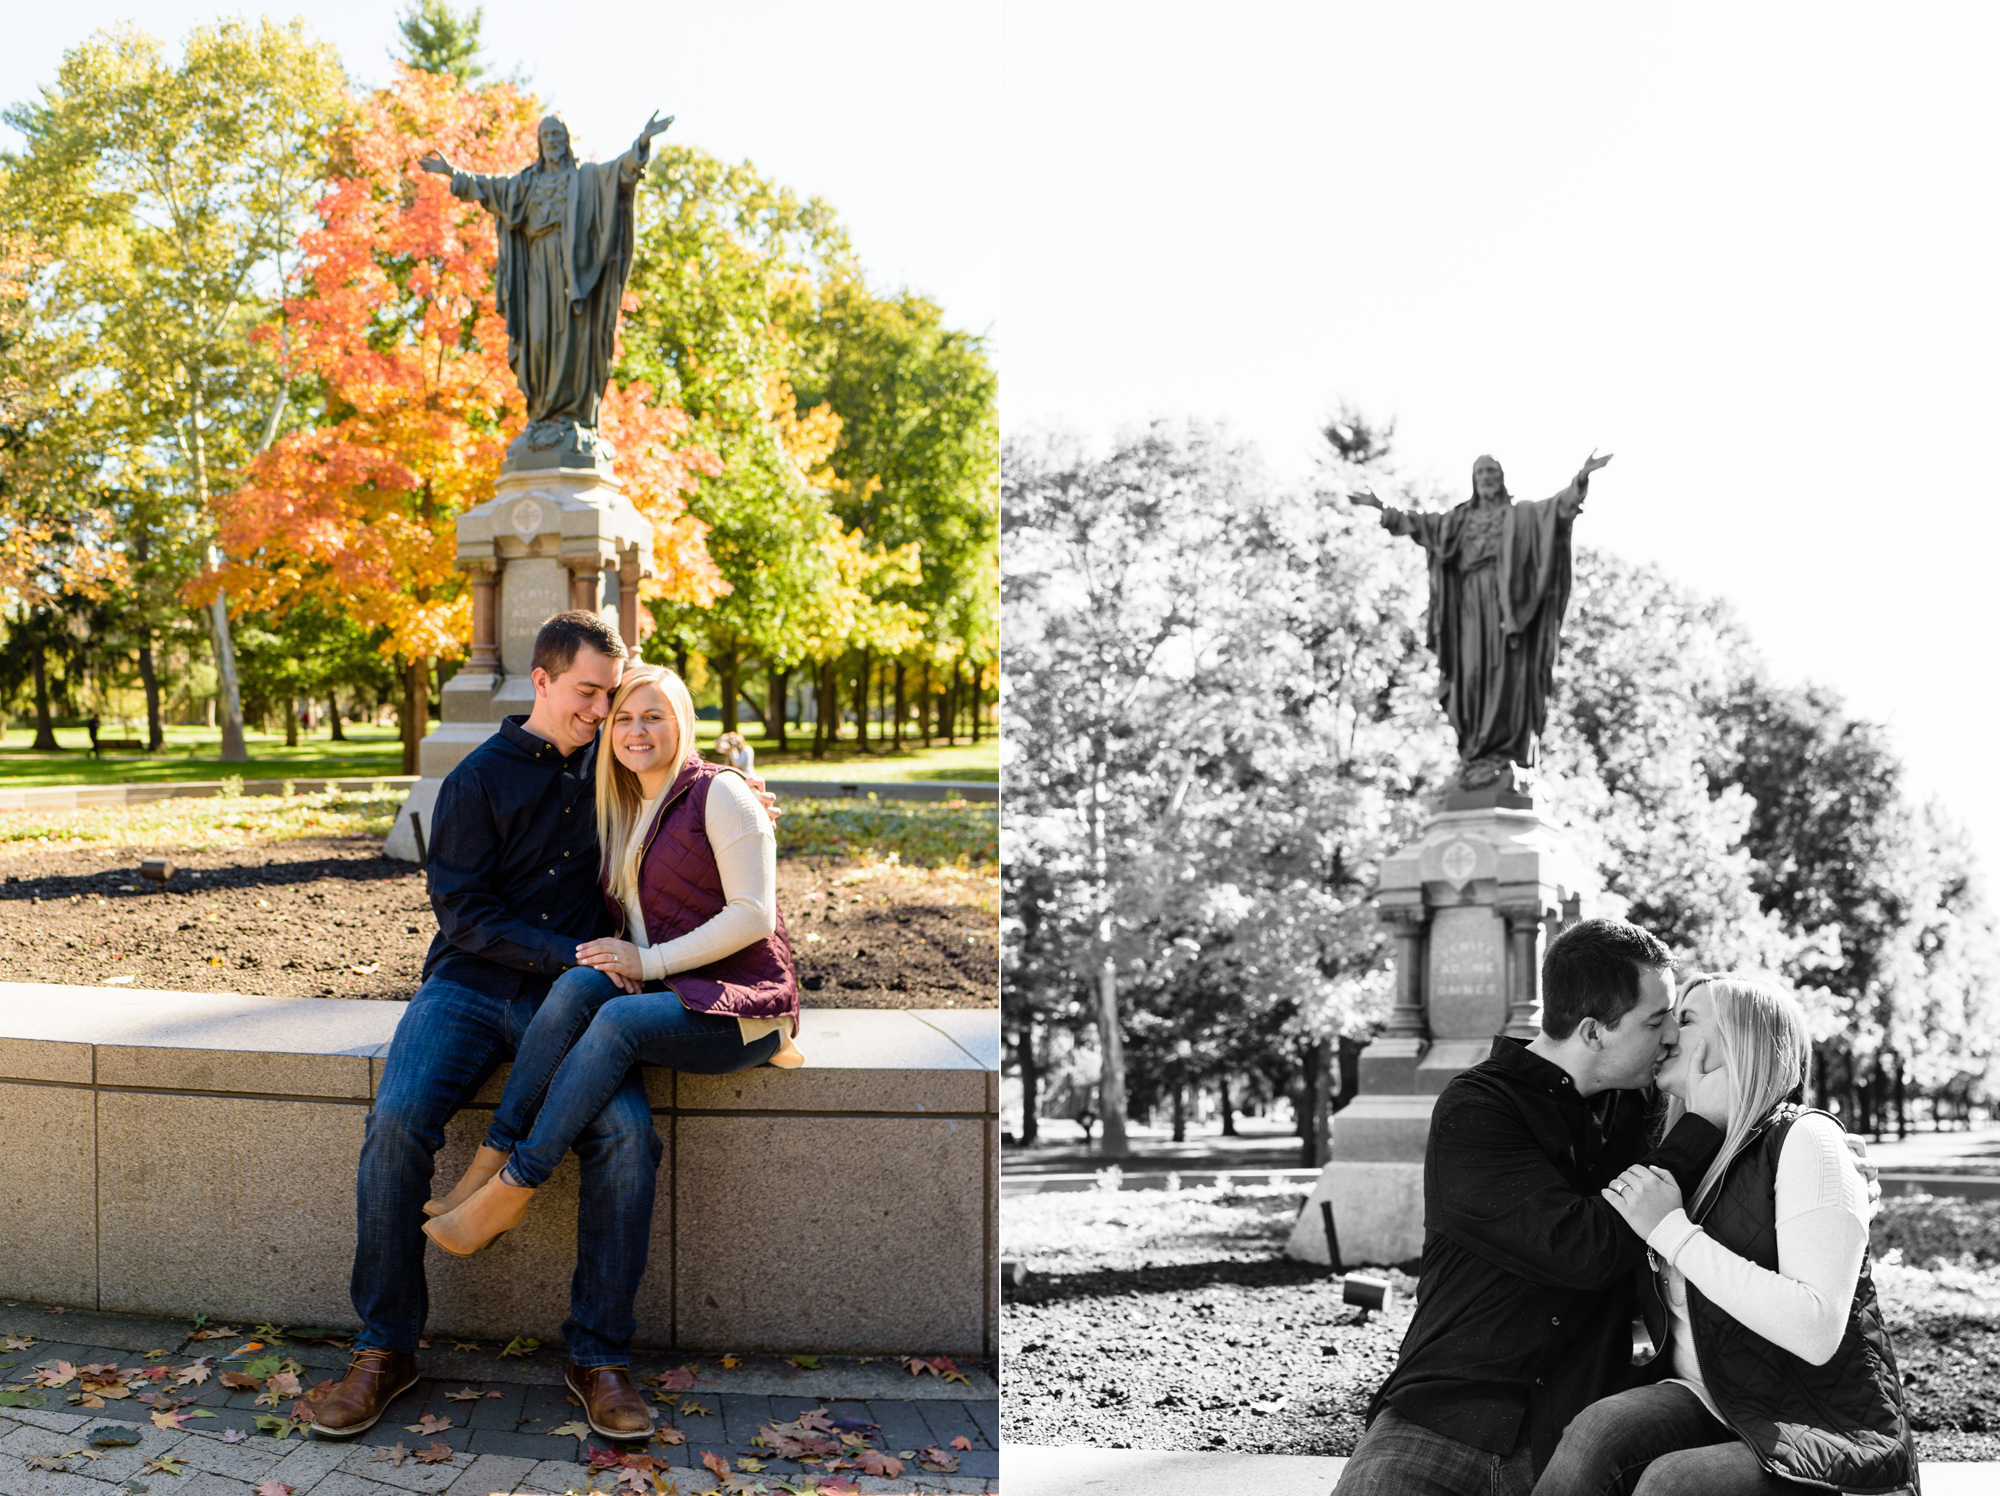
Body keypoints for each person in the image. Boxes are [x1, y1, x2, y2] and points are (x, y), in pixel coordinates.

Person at [310, 612, 774, 1442]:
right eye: (590, 694)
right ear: (543, 682)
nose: (603, 711)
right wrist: (569, 953)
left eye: (612, 695)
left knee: (629, 1139)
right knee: (394, 1123)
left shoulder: (615, 763)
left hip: (585, 1002)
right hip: (473, 985)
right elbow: (464, 914)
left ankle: (597, 1355)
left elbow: (685, 786)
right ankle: (385, 1348)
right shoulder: (477, 780)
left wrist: (743, 790)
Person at [420, 664, 801, 1288]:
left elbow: (754, 917)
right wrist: (632, 962)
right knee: (577, 983)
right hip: (675, 991)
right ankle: (485, 1163)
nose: (635, 730)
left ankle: (512, 1188)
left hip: (744, 1010)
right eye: (622, 717)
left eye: (654, 716)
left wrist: (644, 963)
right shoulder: (625, 802)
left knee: (617, 1017)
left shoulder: (722, 793)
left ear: (683, 721)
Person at [1332, 918, 1725, 1496]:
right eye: (1655, 1018)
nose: (1671, 1034)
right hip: (1445, 1414)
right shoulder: (1478, 1109)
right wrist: (1696, 1134)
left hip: (1574, 1430)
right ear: (1594, 1032)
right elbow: (1580, 1248)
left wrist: (1818, 1158)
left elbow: (1748, 1087)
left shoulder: (1642, 1109)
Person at [1532, 976, 1915, 1496]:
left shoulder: (1806, 1139)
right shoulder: (1688, 1149)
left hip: (1821, 1418)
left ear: (1739, 1044)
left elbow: (1817, 1329)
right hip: (1714, 1396)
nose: (1667, 1032)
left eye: (1685, 1019)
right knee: (1597, 1431)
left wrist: (1672, 1232)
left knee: (1676, 1483)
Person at [419, 111, 671, 463]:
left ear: (567, 140)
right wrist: (452, 173)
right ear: (539, 144)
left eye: (557, 135)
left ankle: (572, 418)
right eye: (546, 136)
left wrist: (642, 142)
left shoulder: (585, 177)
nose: (551, 141)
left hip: (574, 275)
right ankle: (541, 416)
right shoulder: (526, 183)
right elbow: (490, 187)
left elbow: (621, 173)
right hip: (536, 270)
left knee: (571, 340)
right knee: (537, 341)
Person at [1350, 453, 1609, 783]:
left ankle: (1506, 754)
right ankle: (1475, 752)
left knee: (1509, 675)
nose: (1487, 476)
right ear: (1474, 480)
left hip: (1510, 607)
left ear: (1502, 477)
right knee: (1470, 675)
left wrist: (1581, 478)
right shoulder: (1459, 520)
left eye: (1492, 471)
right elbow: (1421, 523)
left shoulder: (1524, 514)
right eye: (1481, 472)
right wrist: (1380, 506)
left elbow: (1560, 507)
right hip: (1470, 606)